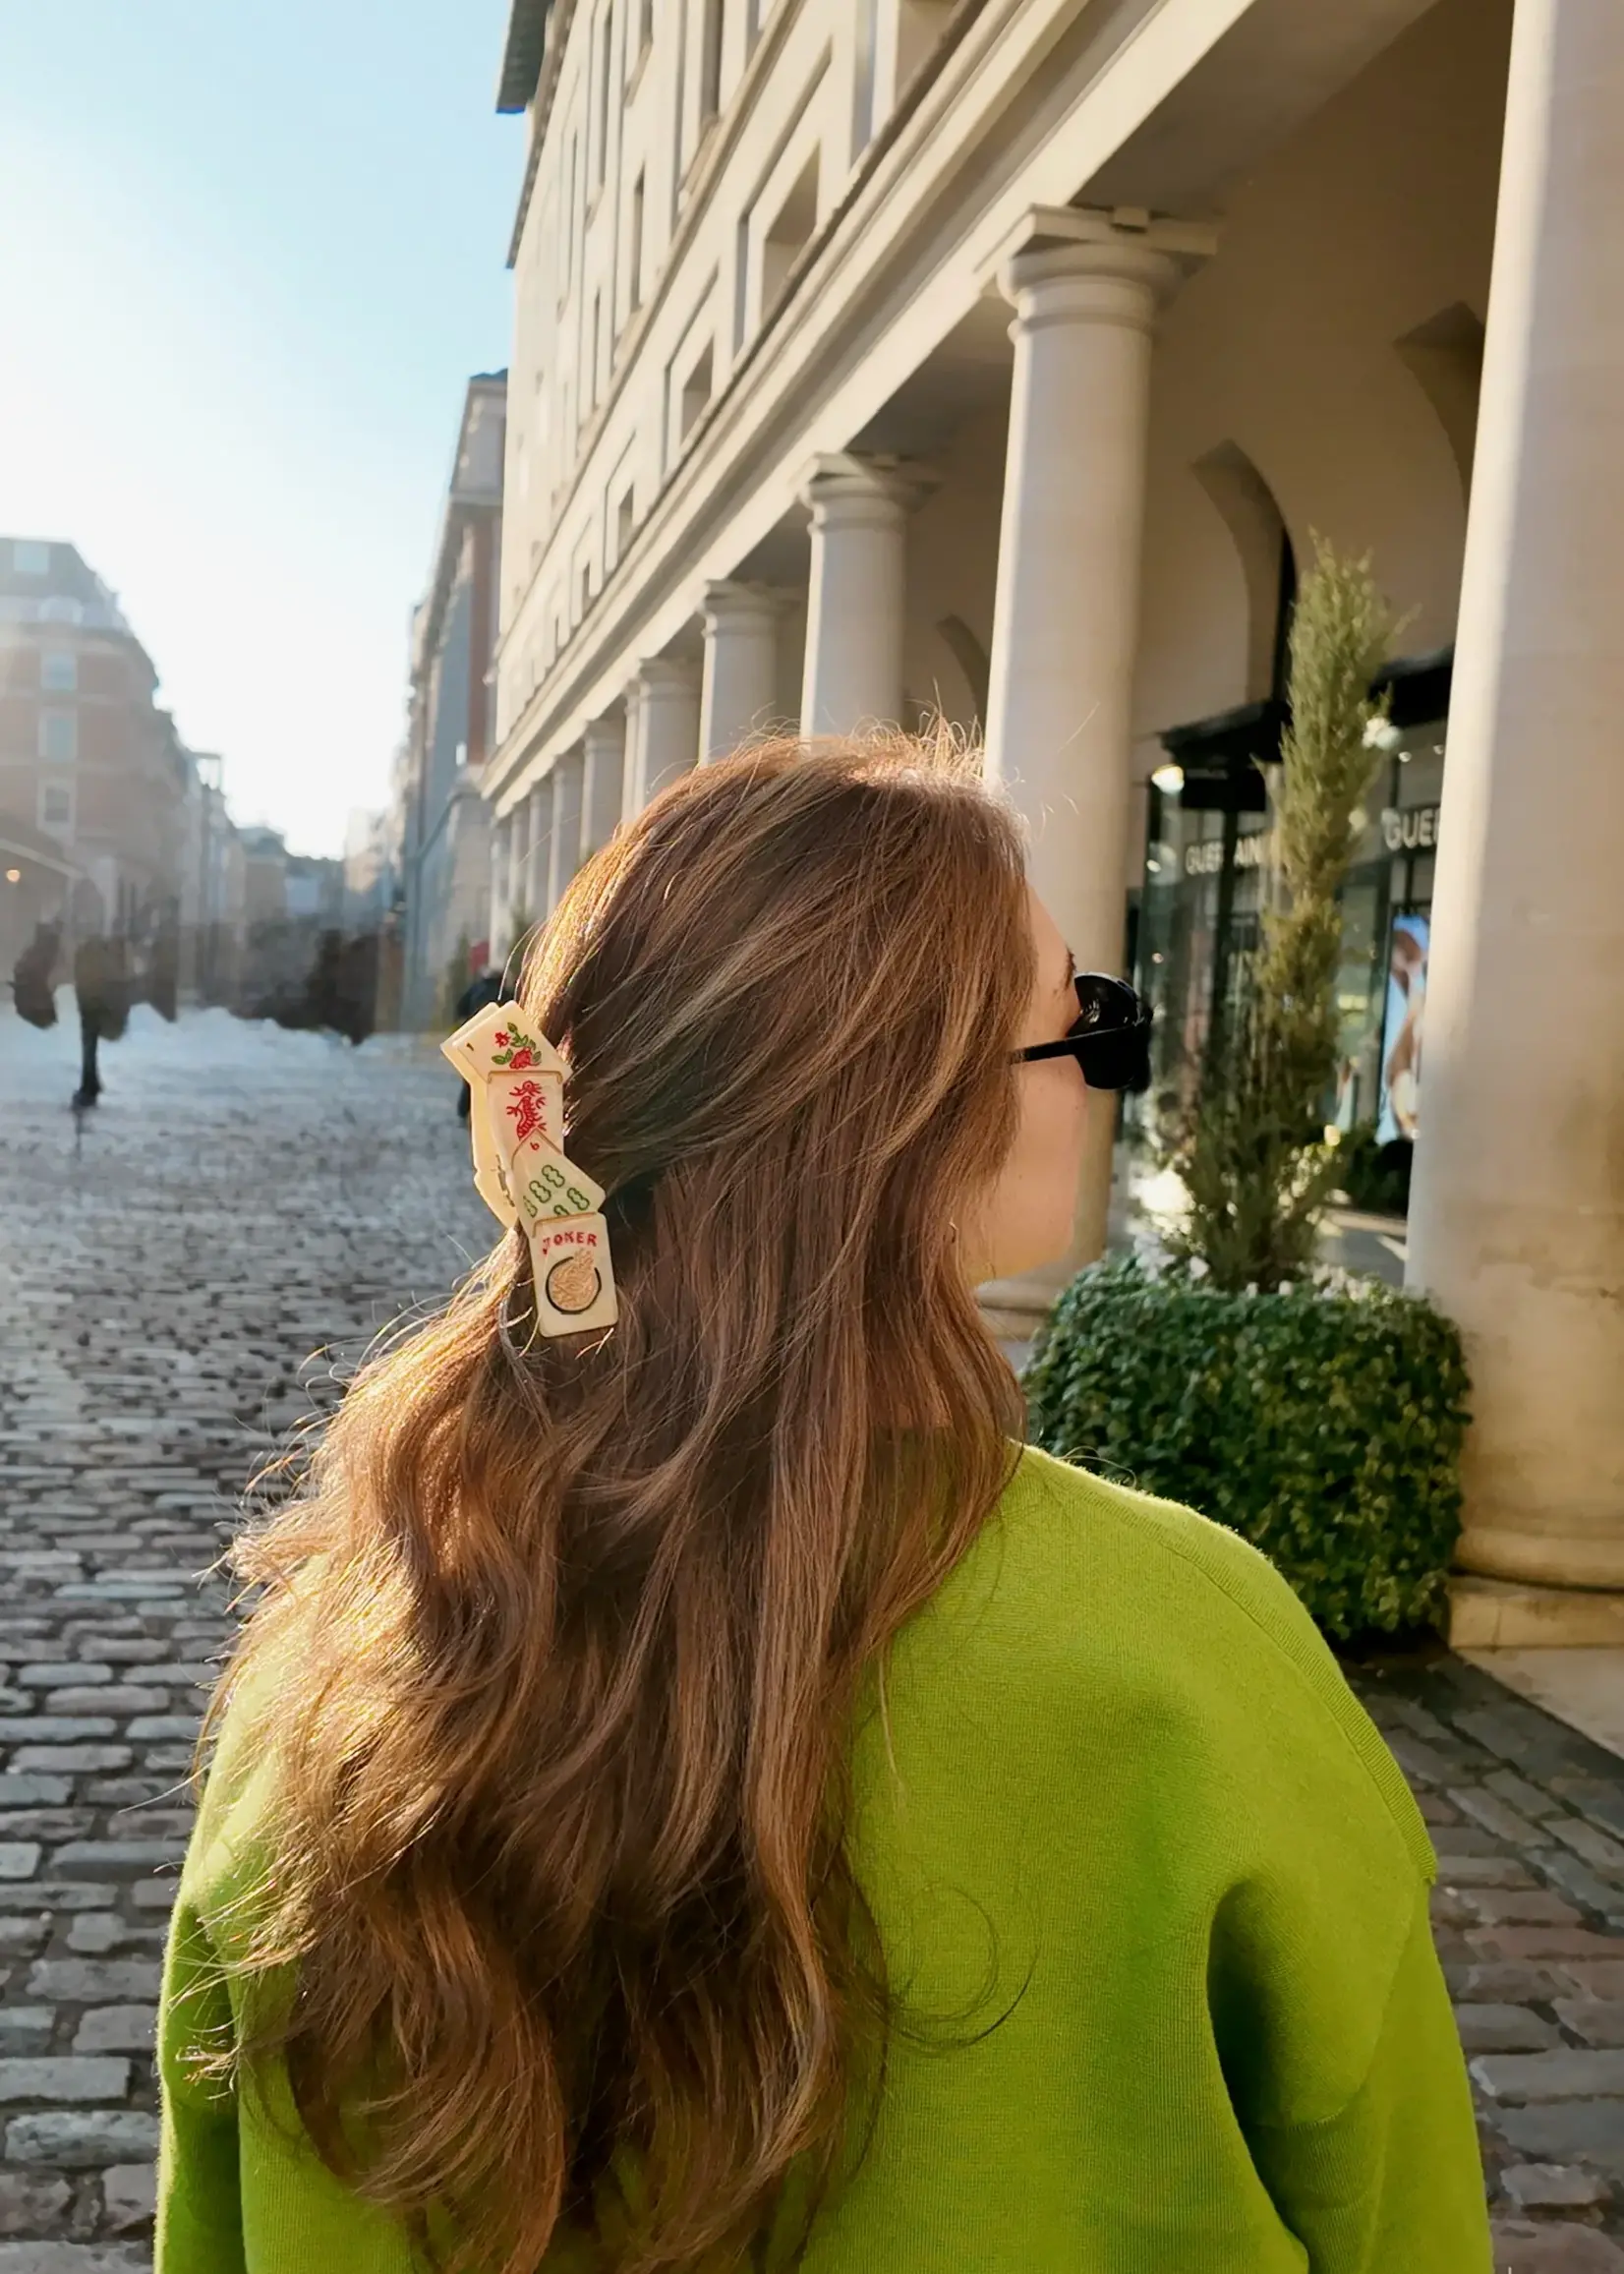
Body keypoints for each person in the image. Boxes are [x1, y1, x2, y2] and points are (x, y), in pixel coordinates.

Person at [156, 737, 1490, 2274]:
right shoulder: (1193, 1663)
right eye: (1088, 1032)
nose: (1109, 1087)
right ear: (914, 1123)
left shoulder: (327, 1685)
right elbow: (1400, 2223)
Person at [453, 963, 512, 1119]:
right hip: (498, 1041)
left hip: (474, 1038)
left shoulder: (475, 989)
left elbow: (460, 1008)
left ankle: (463, 1111)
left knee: (471, 1076)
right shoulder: (504, 993)